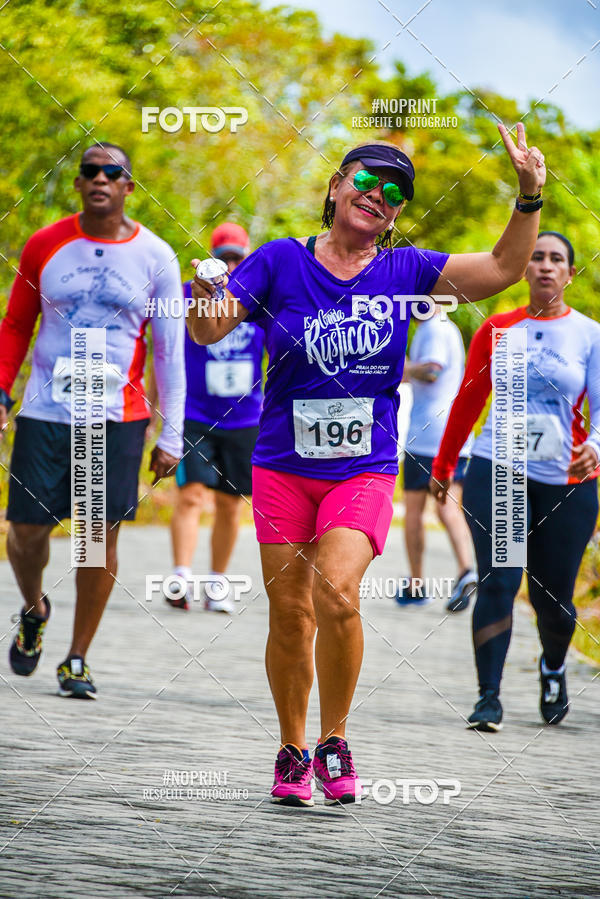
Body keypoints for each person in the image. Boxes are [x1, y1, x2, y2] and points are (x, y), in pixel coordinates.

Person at [189, 125, 546, 805]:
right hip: (280, 464)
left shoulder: (407, 271)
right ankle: (293, 748)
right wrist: (209, 288)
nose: (379, 197)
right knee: (290, 612)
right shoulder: (277, 262)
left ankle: (335, 738)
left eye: (394, 195)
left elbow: (502, 267)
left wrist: (527, 197)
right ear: (335, 187)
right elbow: (207, 329)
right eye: (367, 182)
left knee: (338, 591)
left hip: (364, 466)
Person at [0, 142, 185, 698]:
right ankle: (35, 609)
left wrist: (171, 433)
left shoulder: (157, 258)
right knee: (25, 532)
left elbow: (170, 354)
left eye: (114, 172)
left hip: (116, 417)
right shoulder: (44, 244)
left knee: (93, 540)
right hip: (47, 411)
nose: (101, 178)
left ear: (129, 186)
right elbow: (14, 326)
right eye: (91, 171)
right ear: (79, 184)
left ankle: (77, 657)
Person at [431, 232, 600, 732]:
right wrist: (444, 466)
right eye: (537, 258)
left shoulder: (590, 334)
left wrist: (598, 445)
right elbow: (468, 401)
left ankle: (552, 667)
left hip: (565, 479)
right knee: (499, 581)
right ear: (524, 269)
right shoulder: (498, 330)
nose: (546, 267)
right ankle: (489, 697)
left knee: (552, 596)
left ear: (570, 273)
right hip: (497, 469)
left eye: (557, 260)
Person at [159, 223, 265, 613]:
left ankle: (217, 582)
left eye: (238, 257)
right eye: (224, 258)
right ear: (211, 259)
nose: (231, 264)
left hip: (245, 418)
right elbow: (166, 352)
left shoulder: (257, 298)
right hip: (195, 415)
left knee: (230, 503)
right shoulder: (190, 296)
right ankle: (181, 576)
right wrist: (161, 413)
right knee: (191, 496)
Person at [398, 309, 476, 610]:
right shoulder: (448, 328)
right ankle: (466, 570)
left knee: (416, 509)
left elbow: (431, 371)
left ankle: (416, 584)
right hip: (452, 432)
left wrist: (397, 366)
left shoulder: (432, 328)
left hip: (427, 433)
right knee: (448, 505)